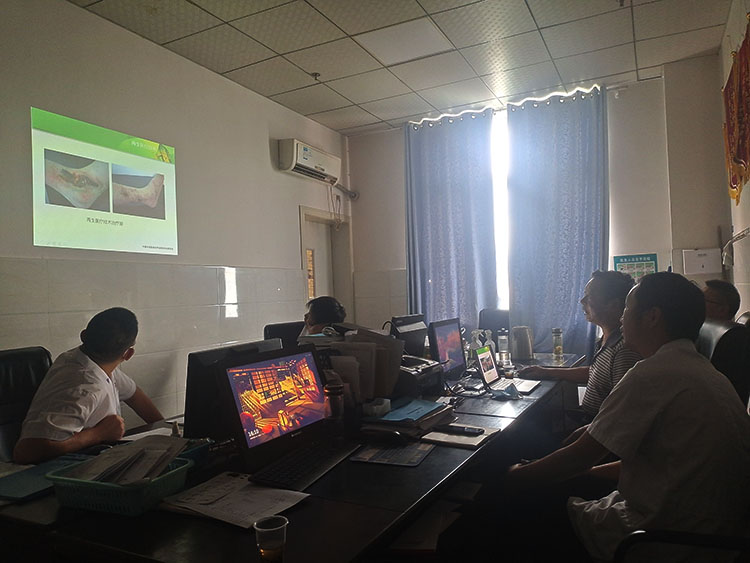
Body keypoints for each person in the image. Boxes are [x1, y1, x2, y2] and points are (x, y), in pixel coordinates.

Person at [504, 272, 750, 561]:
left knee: (517, 501)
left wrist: (514, 476)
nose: (622, 317)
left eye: (628, 308)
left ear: (652, 317)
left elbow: (579, 458)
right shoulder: (702, 371)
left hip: (663, 538)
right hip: (709, 532)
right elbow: (658, 462)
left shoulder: (653, 374)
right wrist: (583, 473)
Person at [13, 307, 163, 464]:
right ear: (128, 354)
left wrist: (169, 431)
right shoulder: (83, 387)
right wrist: (98, 434)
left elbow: (135, 395)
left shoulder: (83, 360)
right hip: (63, 469)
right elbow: (25, 452)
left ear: (83, 335)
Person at [519, 270, 641, 419]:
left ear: (613, 305)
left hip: (594, 425)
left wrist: (582, 434)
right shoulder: (608, 340)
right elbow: (594, 373)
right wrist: (546, 371)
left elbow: (621, 415)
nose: (582, 301)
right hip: (588, 420)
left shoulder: (624, 351)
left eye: (590, 296)